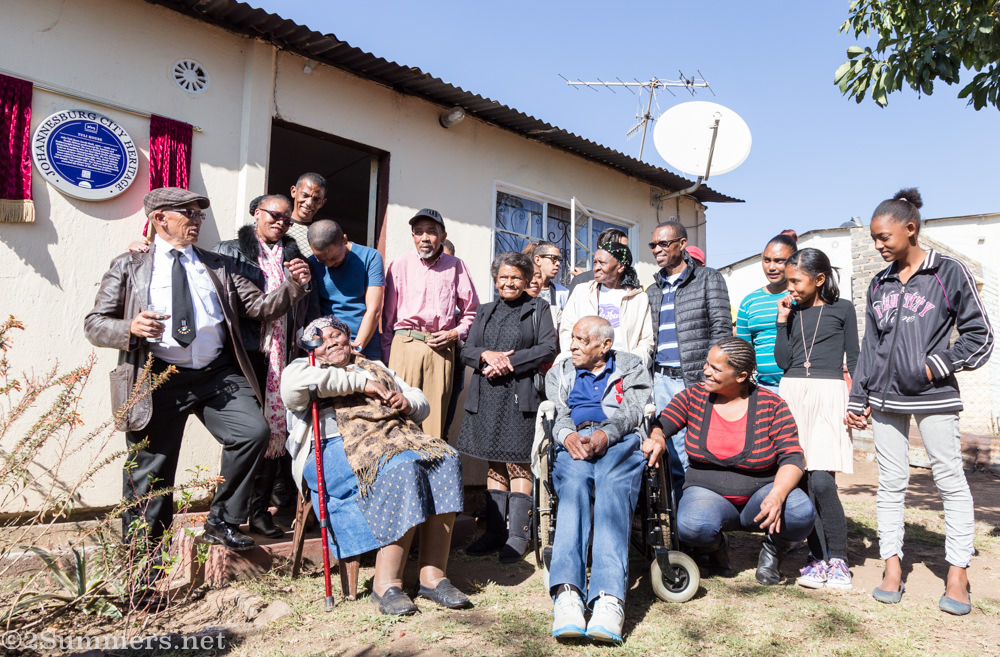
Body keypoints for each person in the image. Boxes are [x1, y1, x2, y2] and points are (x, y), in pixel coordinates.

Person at [84, 187, 312, 567]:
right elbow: (95, 324)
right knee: (151, 477)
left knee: (252, 432)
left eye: (199, 215)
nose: (196, 221)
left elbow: (257, 307)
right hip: (157, 378)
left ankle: (221, 519)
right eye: (188, 214)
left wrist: (293, 286)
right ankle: (143, 571)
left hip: (215, 376)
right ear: (160, 219)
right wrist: (131, 327)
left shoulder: (218, 264)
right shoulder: (129, 265)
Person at [846, 189, 993, 615]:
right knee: (891, 483)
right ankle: (892, 566)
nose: (878, 246)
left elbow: (979, 336)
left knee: (950, 480)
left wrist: (935, 365)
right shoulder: (880, 282)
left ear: (910, 230)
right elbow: (871, 346)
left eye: (883, 237)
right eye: (873, 239)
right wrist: (859, 399)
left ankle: (957, 573)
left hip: (934, 395)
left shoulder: (949, 273)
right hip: (885, 399)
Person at [281, 317, 470, 616]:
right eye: (321, 339)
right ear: (311, 348)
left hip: (395, 437)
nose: (331, 342)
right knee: (402, 466)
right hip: (335, 449)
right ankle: (386, 584)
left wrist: (406, 403)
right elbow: (292, 391)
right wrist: (362, 384)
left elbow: (420, 399)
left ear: (349, 337)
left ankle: (432, 577)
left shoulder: (376, 366)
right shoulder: (304, 369)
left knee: (445, 458)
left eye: (336, 335)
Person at [647, 336, 815, 585]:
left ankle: (773, 550)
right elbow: (662, 423)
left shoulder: (772, 405)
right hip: (707, 492)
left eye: (715, 368)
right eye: (707, 364)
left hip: (761, 494)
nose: (706, 371)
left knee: (800, 511)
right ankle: (715, 546)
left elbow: (792, 456)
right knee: (691, 526)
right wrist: (657, 437)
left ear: (741, 376)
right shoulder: (693, 396)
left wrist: (778, 495)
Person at [210, 193, 312, 538]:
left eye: (287, 219)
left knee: (276, 431)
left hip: (283, 356)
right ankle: (227, 515)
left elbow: (303, 305)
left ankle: (260, 512)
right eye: (275, 215)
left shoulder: (295, 256)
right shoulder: (229, 251)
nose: (281, 222)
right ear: (257, 213)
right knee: (252, 432)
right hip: (245, 354)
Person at [546, 316, 652, 643]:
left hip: (618, 439)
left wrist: (607, 433)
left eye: (581, 340)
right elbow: (558, 412)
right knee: (575, 486)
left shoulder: (631, 366)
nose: (573, 345)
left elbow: (635, 409)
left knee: (613, 487)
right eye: (572, 338)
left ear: (604, 345)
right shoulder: (560, 371)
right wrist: (566, 437)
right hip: (574, 440)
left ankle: (609, 598)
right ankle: (568, 593)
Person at [456, 252, 558, 562]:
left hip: (519, 394)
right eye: (503, 277)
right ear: (495, 279)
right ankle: (494, 532)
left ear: (527, 280)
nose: (509, 282)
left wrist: (509, 362)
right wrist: (488, 356)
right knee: (494, 464)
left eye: (515, 277)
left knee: (517, 463)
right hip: (487, 394)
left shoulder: (538, 308)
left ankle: (518, 535)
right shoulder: (484, 310)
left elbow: (547, 348)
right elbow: (468, 351)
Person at [774, 248, 859, 590]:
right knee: (803, 480)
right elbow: (783, 360)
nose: (789, 287)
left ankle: (838, 559)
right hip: (793, 393)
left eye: (795, 280)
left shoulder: (843, 309)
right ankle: (817, 558)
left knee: (823, 480)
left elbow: (854, 356)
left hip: (829, 395)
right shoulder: (792, 313)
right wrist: (782, 321)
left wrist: (858, 403)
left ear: (819, 279)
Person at [646, 220, 732, 501]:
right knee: (666, 454)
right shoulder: (652, 290)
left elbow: (721, 329)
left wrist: (711, 375)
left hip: (692, 379)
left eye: (663, 244)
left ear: (682, 245)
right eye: (653, 245)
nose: (657, 249)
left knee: (691, 455)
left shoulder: (708, 278)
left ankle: (698, 528)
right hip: (659, 380)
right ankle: (676, 527)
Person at [381, 208, 480, 438]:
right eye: (418, 232)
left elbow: (472, 311)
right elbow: (387, 318)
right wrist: (388, 358)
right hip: (404, 346)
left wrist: (455, 334)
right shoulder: (399, 264)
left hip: (440, 349)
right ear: (413, 236)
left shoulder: (456, 266)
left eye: (431, 232)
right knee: (398, 419)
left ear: (443, 236)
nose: (424, 238)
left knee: (433, 424)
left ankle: (429, 472)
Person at [560, 242, 653, 366]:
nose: (596, 268)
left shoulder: (639, 298)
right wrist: (574, 360)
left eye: (602, 263)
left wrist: (628, 364)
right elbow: (567, 330)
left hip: (623, 370)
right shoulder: (581, 292)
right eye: (595, 262)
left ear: (620, 266)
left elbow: (647, 341)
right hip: (584, 368)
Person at [307, 219, 385, 361]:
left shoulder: (370, 257)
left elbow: (374, 310)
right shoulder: (311, 264)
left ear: (344, 239)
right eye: (322, 260)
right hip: (328, 349)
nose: (329, 265)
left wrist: (355, 348)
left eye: (334, 259)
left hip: (363, 345)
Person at [735, 234, 798, 393]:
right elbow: (744, 352)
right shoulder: (749, 303)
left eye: (779, 261)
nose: (771, 267)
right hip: (763, 390)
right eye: (766, 260)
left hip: (800, 387)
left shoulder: (802, 299)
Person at [567, 227, 628, 294]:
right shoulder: (581, 281)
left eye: (627, 248)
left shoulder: (631, 283)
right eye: (622, 248)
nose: (627, 252)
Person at [285, 172, 328, 258]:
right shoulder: (277, 226)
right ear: (293, 191)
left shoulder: (323, 235)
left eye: (316, 199)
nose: (309, 203)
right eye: (305, 195)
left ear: (322, 203)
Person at [532, 241, 570, 312]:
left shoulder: (563, 293)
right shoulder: (522, 289)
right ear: (538, 260)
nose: (558, 263)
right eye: (554, 258)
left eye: (559, 260)